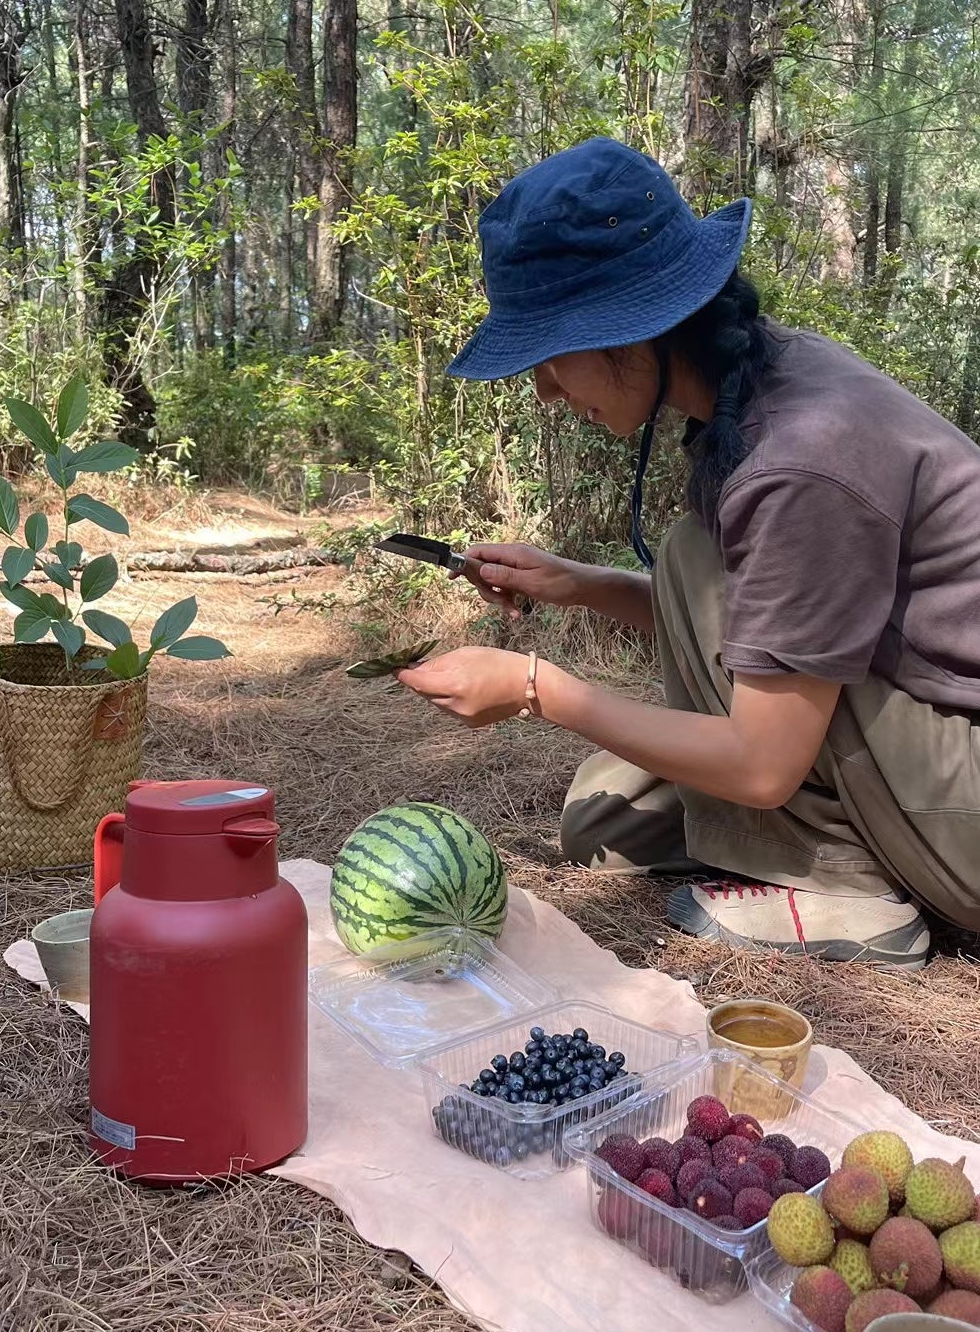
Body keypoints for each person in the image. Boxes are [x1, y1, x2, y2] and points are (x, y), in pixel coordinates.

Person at [397, 137, 980, 970]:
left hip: (962, 778)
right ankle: (814, 853)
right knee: (603, 817)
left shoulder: (804, 457)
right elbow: (753, 601)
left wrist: (535, 689)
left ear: (631, 328)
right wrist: (578, 583)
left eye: (552, 358)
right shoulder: (760, 380)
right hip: (912, 750)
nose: (546, 393)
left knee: (692, 577)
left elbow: (763, 762)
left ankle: (851, 893)